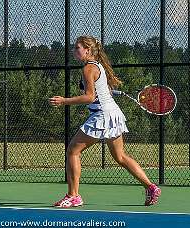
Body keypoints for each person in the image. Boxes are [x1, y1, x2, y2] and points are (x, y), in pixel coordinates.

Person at [49, 35, 161, 208]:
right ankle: (151, 187)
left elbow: (89, 97)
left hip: (103, 115)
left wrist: (64, 101)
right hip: (112, 113)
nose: (74, 51)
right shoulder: (98, 66)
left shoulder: (88, 68)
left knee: (73, 151)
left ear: (87, 50)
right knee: (120, 156)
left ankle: (73, 196)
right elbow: (101, 91)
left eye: (77, 48)